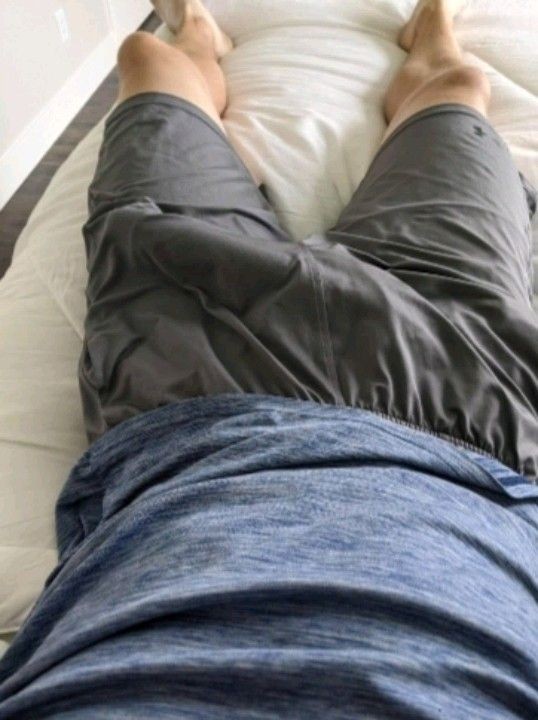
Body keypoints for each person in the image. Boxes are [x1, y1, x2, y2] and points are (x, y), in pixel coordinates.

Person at [0, 0, 537, 717]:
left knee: (145, 58)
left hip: (190, 394)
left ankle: (198, 30)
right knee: (459, 88)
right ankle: (431, 28)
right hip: (461, 407)